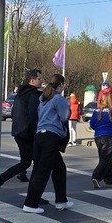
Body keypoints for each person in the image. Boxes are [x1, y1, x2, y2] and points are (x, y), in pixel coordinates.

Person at [23, 75, 72, 212]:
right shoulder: (58, 98)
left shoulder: (43, 98)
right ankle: (30, 204)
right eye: (64, 85)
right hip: (51, 137)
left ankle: (61, 201)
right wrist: (68, 106)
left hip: (40, 136)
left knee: (59, 169)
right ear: (61, 85)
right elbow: (64, 116)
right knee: (43, 171)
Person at [0, 69, 41, 186]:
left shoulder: (20, 94)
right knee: (35, 162)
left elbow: (13, 112)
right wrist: (36, 131)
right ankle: (0, 180)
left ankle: (21, 175)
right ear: (32, 80)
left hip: (18, 131)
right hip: (28, 133)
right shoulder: (33, 95)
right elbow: (34, 115)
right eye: (39, 79)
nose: (41, 81)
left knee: (25, 161)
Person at [88, 87, 112, 188]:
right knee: (106, 158)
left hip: (98, 136)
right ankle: (96, 176)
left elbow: (92, 124)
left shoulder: (96, 112)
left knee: (103, 157)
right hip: (109, 136)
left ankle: (109, 178)